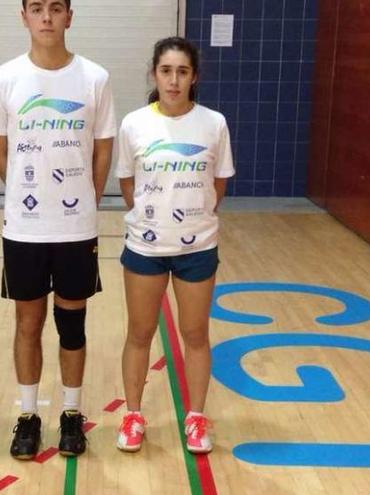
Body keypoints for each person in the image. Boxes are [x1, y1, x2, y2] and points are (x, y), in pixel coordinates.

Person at [0, 0, 115, 459]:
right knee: (27, 324)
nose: (45, 17)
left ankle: (72, 415)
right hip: (25, 227)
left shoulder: (94, 78)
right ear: (23, 17)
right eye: (36, 8)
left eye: (54, 8)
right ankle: (27, 415)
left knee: (72, 325)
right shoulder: (5, 78)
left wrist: (86, 200)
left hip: (76, 228)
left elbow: (102, 152)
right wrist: (24, 191)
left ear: (68, 17)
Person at [113, 37, 234, 454]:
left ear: (193, 76)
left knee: (195, 333)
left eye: (183, 71)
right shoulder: (134, 124)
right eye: (167, 71)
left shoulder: (213, 123)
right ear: (154, 74)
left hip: (198, 248)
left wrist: (193, 216)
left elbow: (219, 184)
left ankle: (196, 419)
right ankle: (132, 415)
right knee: (140, 332)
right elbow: (127, 183)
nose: (174, 80)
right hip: (145, 247)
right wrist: (151, 217)